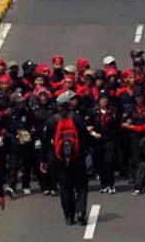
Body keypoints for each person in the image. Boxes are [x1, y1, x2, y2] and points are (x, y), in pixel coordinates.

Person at [43, 90, 90, 225]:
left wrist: (44, 160)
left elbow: (46, 141)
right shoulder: (76, 118)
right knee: (81, 185)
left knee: (65, 186)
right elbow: (85, 137)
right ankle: (81, 211)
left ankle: (68, 216)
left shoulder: (52, 120)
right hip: (77, 157)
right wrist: (84, 151)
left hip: (58, 158)